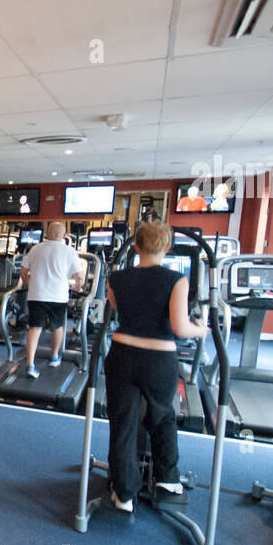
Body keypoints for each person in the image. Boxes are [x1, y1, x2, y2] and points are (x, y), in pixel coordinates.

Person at [104, 220, 209, 513]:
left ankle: (124, 494)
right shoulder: (176, 280)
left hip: (122, 355)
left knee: (123, 423)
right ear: (166, 247)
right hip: (158, 359)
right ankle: (167, 480)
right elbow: (179, 327)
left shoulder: (116, 277)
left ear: (136, 246)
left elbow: (117, 311)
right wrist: (200, 330)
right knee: (162, 417)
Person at [20, 221, 86, 379]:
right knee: (57, 327)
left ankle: (30, 364)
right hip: (58, 296)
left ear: (47, 235)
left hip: (37, 295)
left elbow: (23, 271)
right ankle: (55, 357)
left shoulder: (35, 249)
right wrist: (77, 287)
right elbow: (80, 277)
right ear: (64, 236)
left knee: (35, 328)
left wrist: (30, 285)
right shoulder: (69, 251)